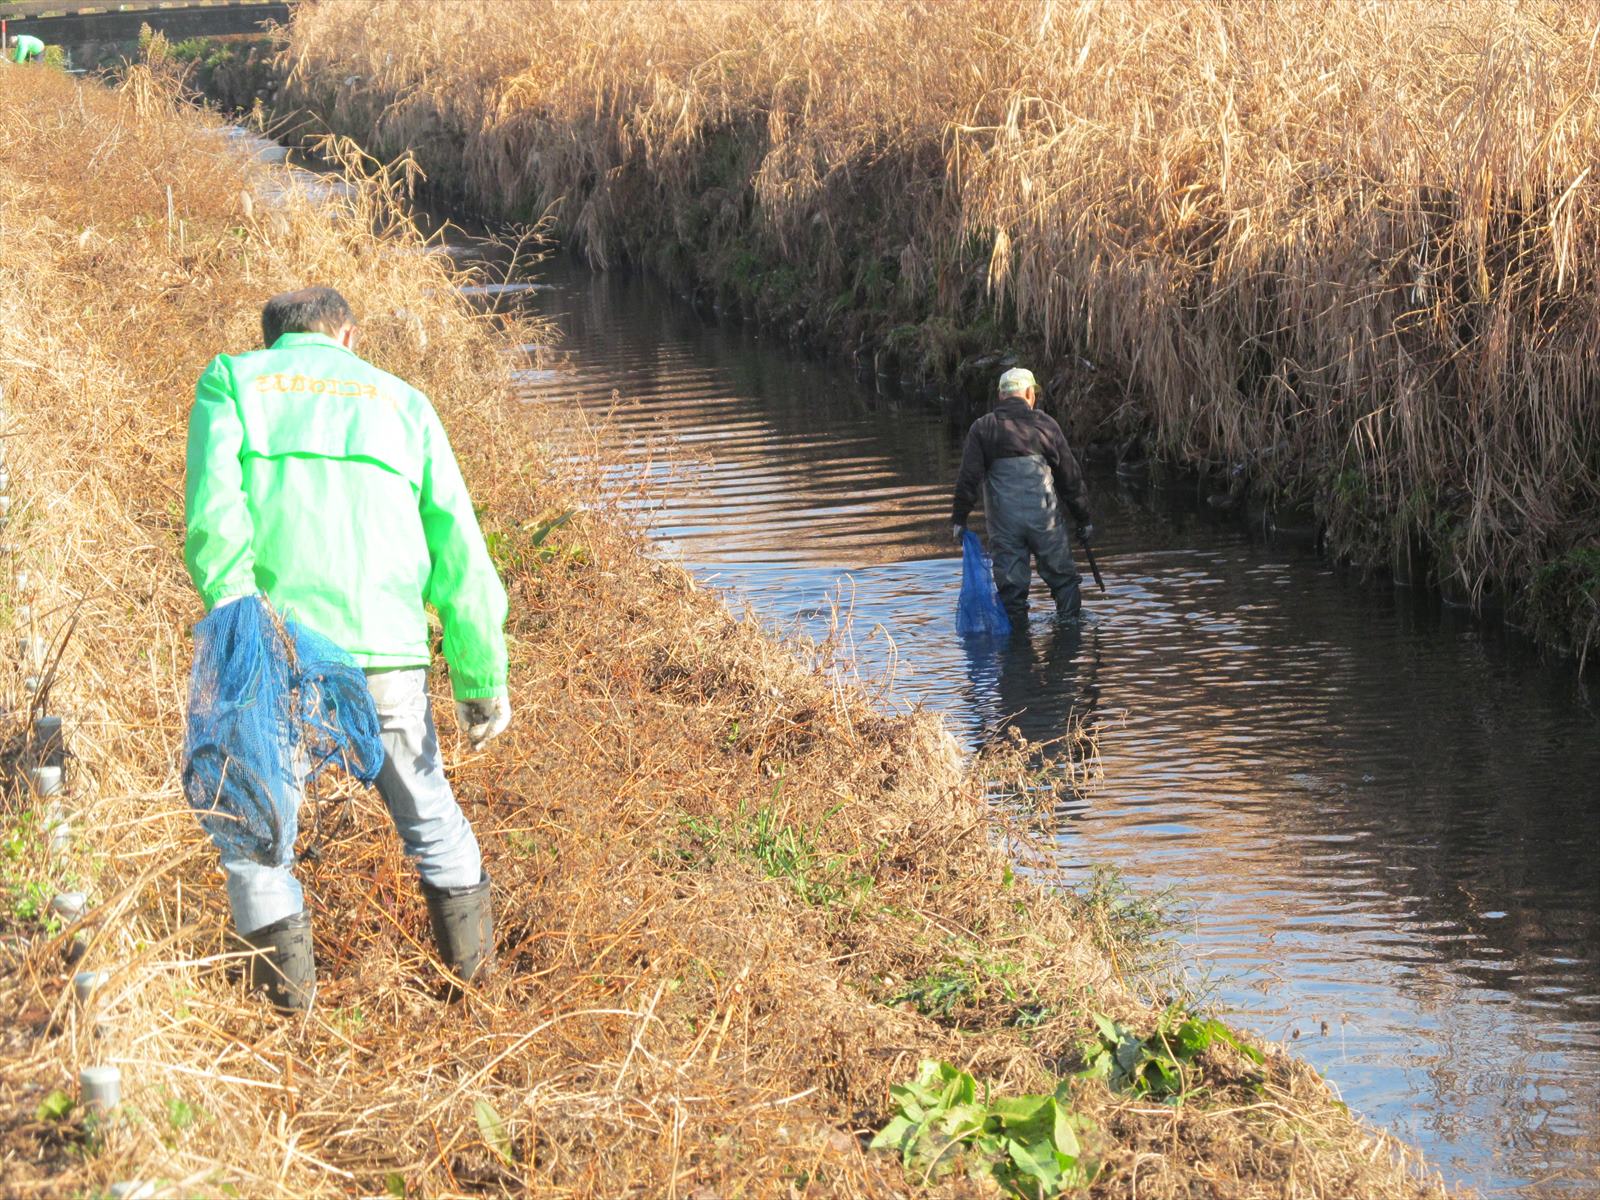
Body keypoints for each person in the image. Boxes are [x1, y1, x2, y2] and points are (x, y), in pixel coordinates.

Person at [184, 286, 511, 1011]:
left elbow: (213, 520)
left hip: (274, 644)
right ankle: (478, 995)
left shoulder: (234, 380)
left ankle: (285, 1028)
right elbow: (460, 547)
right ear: (349, 337)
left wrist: (236, 612)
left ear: (271, 339)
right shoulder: (403, 402)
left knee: (258, 832)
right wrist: (480, 673)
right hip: (388, 649)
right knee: (428, 810)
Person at [950, 367, 1093, 629]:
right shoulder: (1045, 425)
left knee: (1011, 591)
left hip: (1005, 526)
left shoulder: (982, 429)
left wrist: (959, 519)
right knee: (1064, 581)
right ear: (1029, 394)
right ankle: (1069, 646)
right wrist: (1083, 518)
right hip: (1045, 522)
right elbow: (1069, 477)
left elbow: (968, 479)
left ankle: (1016, 655)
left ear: (1000, 396)